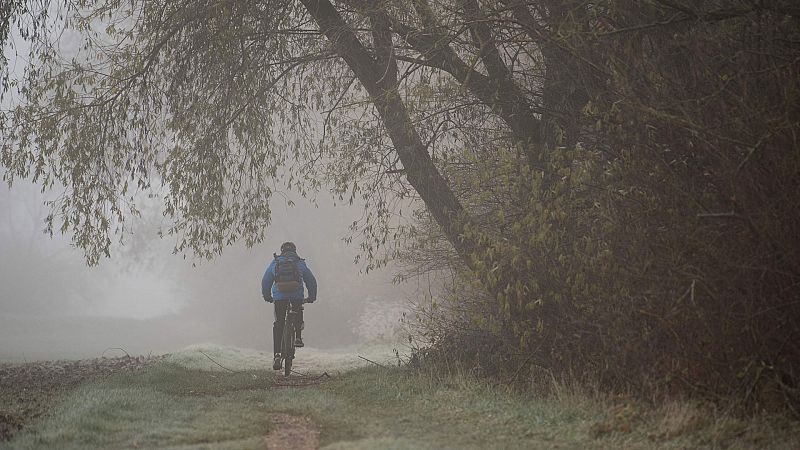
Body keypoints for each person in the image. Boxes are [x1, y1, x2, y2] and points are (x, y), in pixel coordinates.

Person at [261, 241, 317, 371]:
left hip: (279, 297)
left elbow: (265, 281)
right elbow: (311, 281)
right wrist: (312, 297)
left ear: (282, 251)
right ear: (295, 251)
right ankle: (297, 337)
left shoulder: (275, 262)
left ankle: (277, 355)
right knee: (298, 311)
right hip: (296, 296)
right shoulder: (300, 263)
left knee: (279, 323)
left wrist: (267, 296)